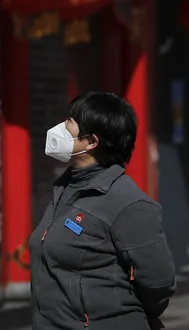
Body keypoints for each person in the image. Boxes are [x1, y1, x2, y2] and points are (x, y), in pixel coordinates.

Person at [29, 91, 176, 330]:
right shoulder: (64, 188)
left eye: (70, 122)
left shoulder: (127, 203)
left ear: (91, 142)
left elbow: (158, 282)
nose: (60, 128)